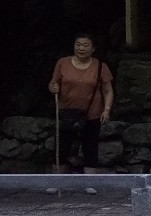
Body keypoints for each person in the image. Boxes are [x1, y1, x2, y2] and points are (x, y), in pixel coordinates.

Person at [48, 35, 114, 175]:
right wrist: (53, 87)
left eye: (85, 45)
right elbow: (53, 82)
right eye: (78, 44)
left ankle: (89, 181)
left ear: (93, 49)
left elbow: (108, 90)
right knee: (61, 147)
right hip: (66, 112)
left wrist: (106, 110)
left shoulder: (101, 66)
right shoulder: (62, 63)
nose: (81, 48)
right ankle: (57, 180)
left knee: (90, 147)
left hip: (91, 113)